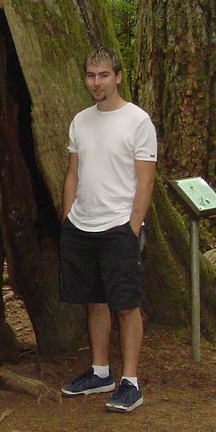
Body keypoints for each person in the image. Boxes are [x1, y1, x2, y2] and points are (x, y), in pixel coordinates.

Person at [58, 47, 157, 413]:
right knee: (94, 300)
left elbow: (145, 179)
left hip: (119, 226)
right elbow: (73, 171)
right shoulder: (80, 120)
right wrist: (67, 217)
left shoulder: (137, 121)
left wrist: (132, 226)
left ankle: (130, 380)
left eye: (103, 75)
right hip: (81, 225)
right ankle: (100, 372)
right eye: (90, 75)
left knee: (126, 304)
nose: (96, 82)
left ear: (117, 76)